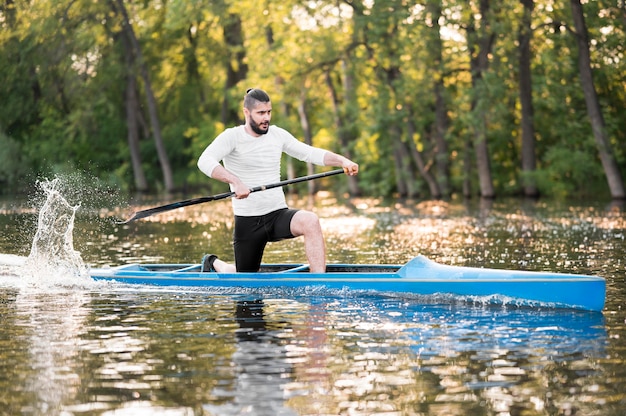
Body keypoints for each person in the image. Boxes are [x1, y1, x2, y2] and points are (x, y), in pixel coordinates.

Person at [197, 88, 359, 273]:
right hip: (248, 222)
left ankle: (319, 284)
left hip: (277, 215)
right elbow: (204, 161)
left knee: (310, 221)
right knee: (243, 279)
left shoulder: (277, 135)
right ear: (246, 112)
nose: (266, 118)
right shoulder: (232, 137)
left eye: (268, 112)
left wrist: (342, 160)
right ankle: (213, 263)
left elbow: (309, 152)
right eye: (260, 113)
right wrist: (236, 182)